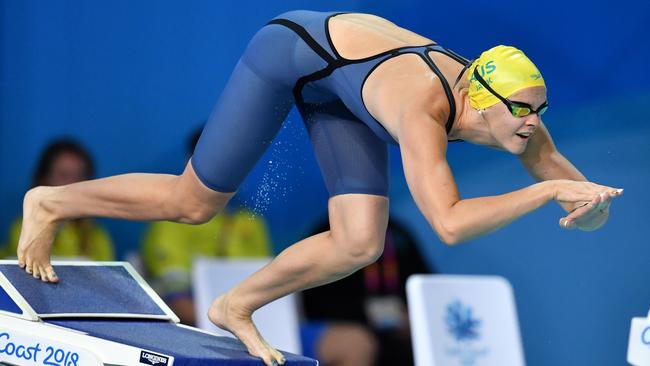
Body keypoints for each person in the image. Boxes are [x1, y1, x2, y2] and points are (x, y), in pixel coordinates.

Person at [16, 11, 622, 366]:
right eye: (522, 110)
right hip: (296, 52)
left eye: (540, 110)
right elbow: (451, 224)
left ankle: (236, 305)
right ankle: (51, 202)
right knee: (194, 203)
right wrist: (545, 196)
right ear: (480, 102)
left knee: (361, 241)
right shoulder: (421, 111)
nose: (534, 124)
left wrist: (586, 207)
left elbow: (584, 204)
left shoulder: (520, 121)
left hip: (350, 88)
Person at [141, 129, 273, 326]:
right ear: (192, 163)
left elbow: (273, 293)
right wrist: (232, 325)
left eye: (236, 158)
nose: (229, 167)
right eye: (217, 158)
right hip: (197, 330)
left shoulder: (251, 220)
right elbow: (179, 303)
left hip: (258, 323)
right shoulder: (170, 220)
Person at [3, 139, 114, 261]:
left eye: (80, 177)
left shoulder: (97, 235)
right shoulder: (24, 228)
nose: (73, 185)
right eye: (63, 175)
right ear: (43, 180)